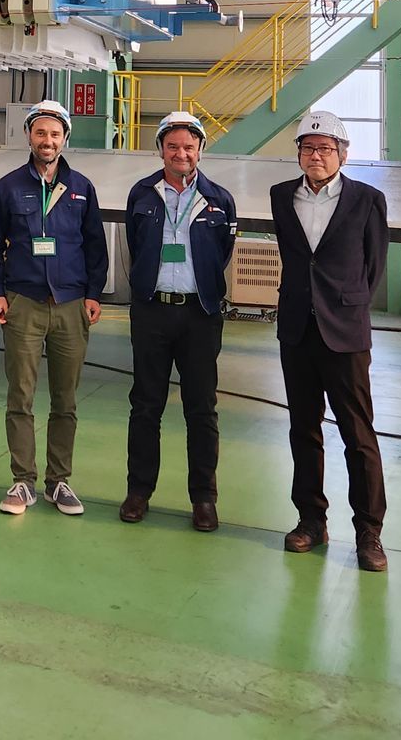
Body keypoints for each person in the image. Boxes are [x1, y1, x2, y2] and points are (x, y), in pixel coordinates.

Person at [269, 110, 390, 572]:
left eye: (324, 148)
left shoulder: (367, 200)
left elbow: (373, 267)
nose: (315, 156)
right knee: (304, 429)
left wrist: (346, 305)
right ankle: (311, 521)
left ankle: (369, 533)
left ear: (342, 153)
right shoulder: (282, 196)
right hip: (297, 330)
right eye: (307, 148)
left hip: (345, 332)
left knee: (359, 435)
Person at [0, 97, 108, 517]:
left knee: (65, 399)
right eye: (40, 133)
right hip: (24, 305)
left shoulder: (82, 189)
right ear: (29, 136)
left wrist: (92, 294)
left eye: (54, 134)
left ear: (65, 138)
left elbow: (95, 249)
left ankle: (59, 482)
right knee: (22, 396)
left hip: (70, 306)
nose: (47, 140)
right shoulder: (8, 187)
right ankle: (22, 482)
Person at [119, 111, 239, 530]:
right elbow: (134, 246)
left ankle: (204, 499)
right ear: (161, 149)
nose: (181, 153)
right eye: (173, 146)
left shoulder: (219, 200)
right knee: (145, 405)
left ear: (201, 150)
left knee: (201, 410)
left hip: (200, 315)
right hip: (152, 311)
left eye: (189, 146)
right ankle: (138, 492)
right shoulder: (142, 194)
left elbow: (222, 252)